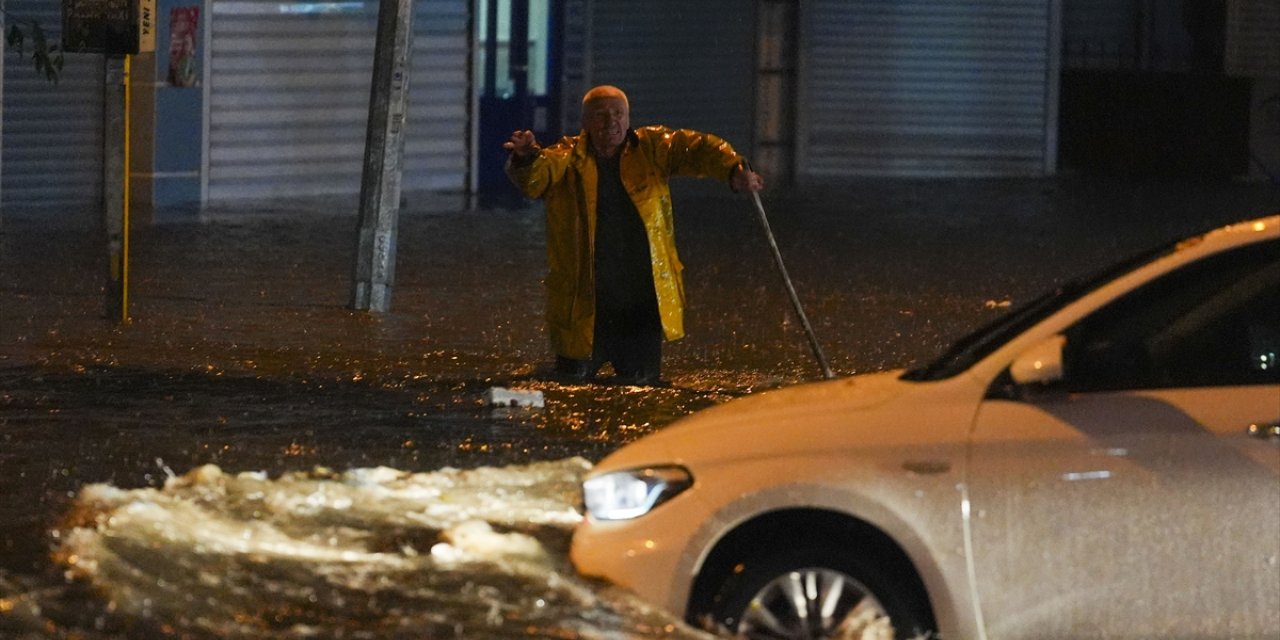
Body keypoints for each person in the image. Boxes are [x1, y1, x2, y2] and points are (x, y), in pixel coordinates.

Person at [504, 85, 764, 385]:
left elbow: (698, 148)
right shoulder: (566, 157)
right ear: (586, 122)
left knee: (644, 390)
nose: (611, 122)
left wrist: (733, 169)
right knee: (570, 385)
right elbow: (535, 179)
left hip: (641, 305)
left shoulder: (653, 148)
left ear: (628, 119)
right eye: (601, 116)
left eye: (618, 114)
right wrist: (525, 158)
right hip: (586, 307)